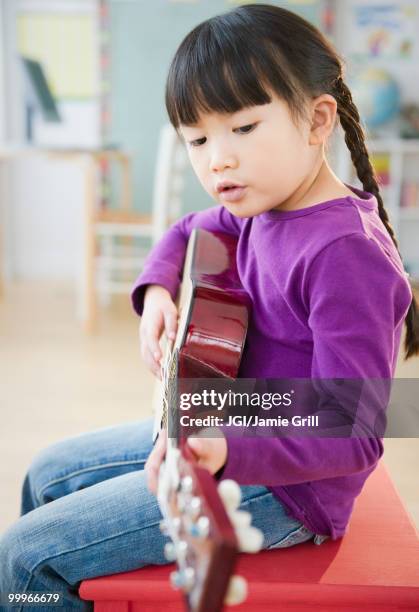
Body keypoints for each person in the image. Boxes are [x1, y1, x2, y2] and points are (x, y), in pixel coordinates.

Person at [0, 4, 417, 610]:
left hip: (288, 491)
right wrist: (159, 293)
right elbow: (190, 231)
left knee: (24, 555)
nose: (217, 157)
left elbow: (355, 429)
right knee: (44, 472)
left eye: (243, 128)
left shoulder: (344, 254)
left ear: (317, 119)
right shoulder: (267, 204)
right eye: (197, 138)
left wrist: (228, 446)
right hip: (225, 420)